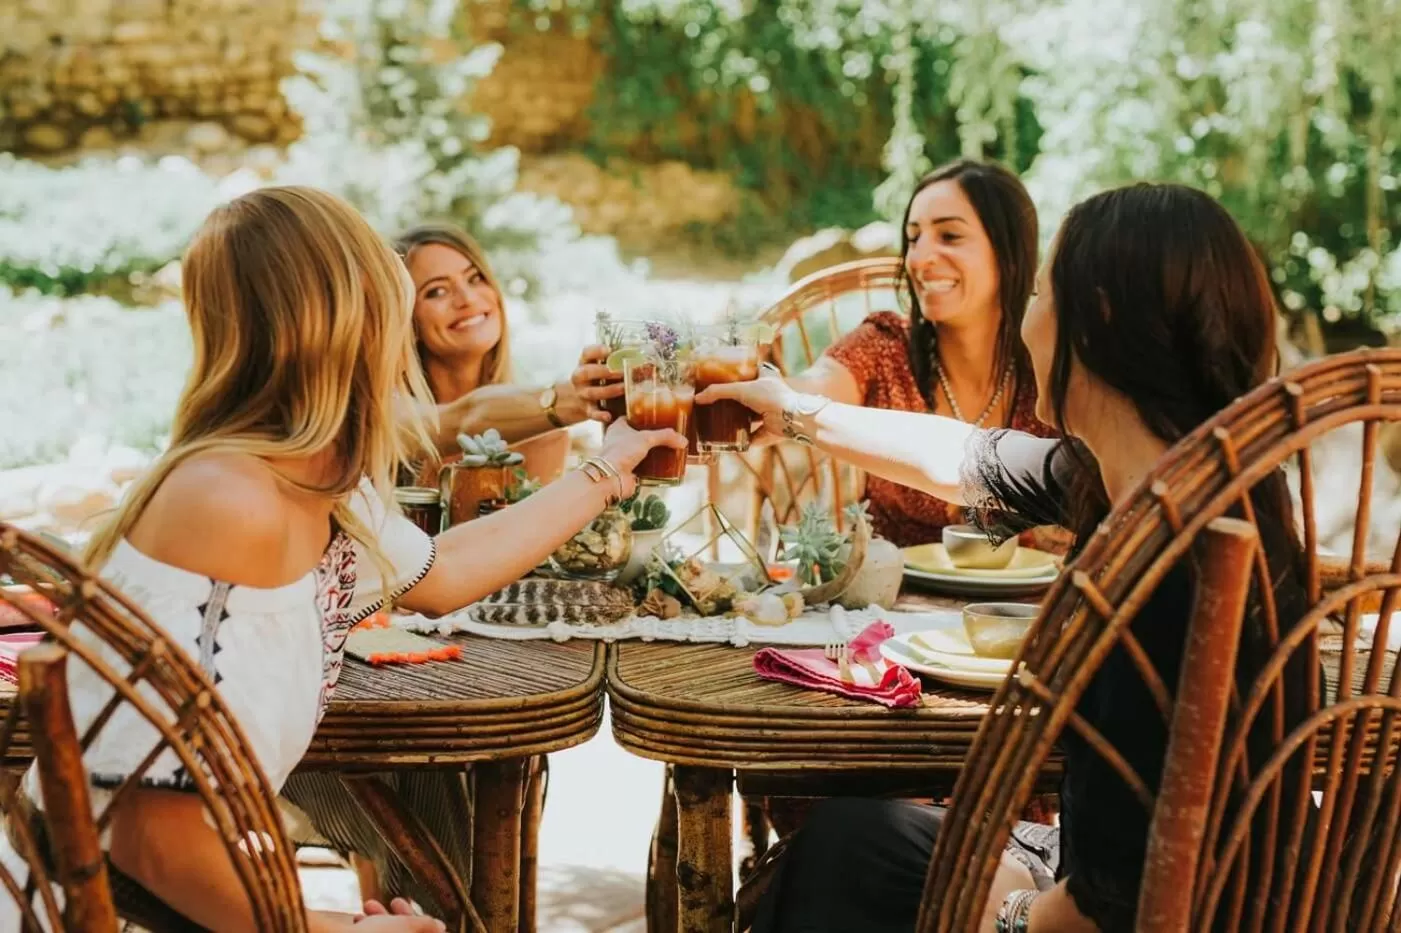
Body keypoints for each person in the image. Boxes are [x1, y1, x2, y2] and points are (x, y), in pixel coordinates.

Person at [0, 186, 685, 932]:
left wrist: (610, 470)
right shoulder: (226, 500)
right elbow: (148, 837)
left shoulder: (316, 475)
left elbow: (445, 571)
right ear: (347, 312)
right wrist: (337, 930)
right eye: (392, 281)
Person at [698, 183, 1315, 931]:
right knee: (849, 840)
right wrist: (792, 410)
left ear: (1098, 318)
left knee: (838, 866)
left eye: (1042, 293)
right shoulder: (1177, 479)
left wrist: (1010, 905)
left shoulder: (1164, 570)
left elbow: (1113, 907)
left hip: (1156, 912)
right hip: (1235, 889)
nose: (1027, 315)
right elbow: (955, 456)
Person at [779, 159, 1057, 547]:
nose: (919, 259)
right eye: (913, 239)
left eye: (949, 236)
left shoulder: (1049, 365)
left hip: (1035, 588)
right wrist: (766, 389)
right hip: (892, 585)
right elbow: (815, 386)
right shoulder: (884, 346)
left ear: (1008, 252)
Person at [393, 222, 624, 482]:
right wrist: (573, 398)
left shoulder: (544, 436)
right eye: (437, 291)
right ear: (405, 319)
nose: (467, 299)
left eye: (475, 278)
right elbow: (463, 419)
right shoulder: (388, 415)